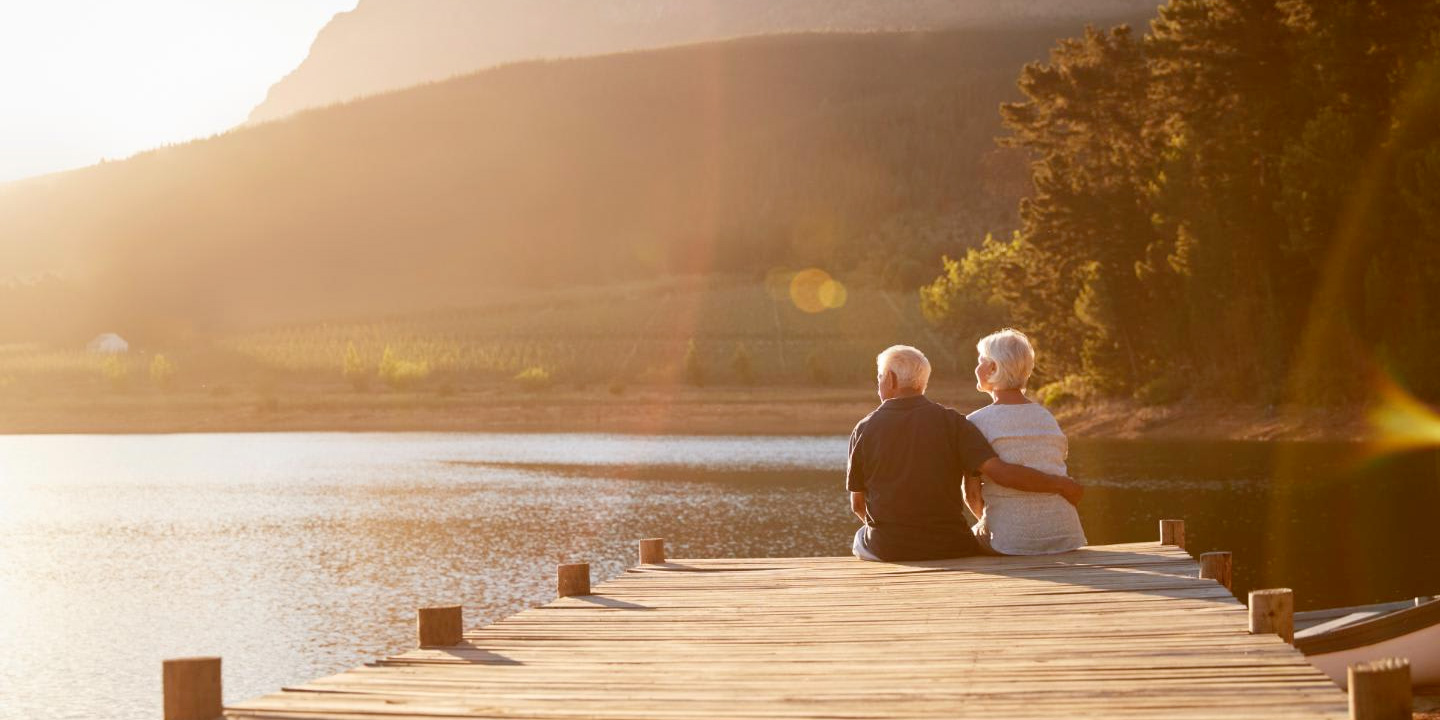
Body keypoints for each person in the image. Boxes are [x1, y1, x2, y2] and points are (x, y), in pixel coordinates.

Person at [848, 345, 1082, 562]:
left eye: (879, 377)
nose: (879, 383)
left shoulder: (864, 428)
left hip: (890, 547)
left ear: (891, 379)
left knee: (860, 539)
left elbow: (858, 505)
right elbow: (997, 473)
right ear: (922, 382)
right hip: (951, 544)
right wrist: (1060, 484)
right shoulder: (954, 423)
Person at [965, 329, 1087, 555]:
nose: (976, 368)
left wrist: (995, 523)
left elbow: (971, 494)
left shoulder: (975, 422)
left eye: (981, 361)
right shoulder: (1047, 417)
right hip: (1065, 536)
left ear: (993, 368)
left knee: (965, 539)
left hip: (1010, 542)